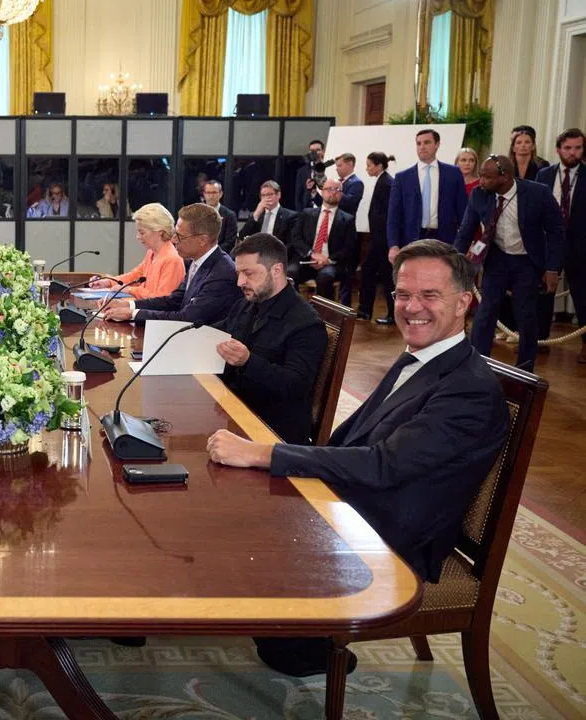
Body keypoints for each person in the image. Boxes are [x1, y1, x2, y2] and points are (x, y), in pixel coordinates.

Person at [207, 239, 510, 678]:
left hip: (390, 535)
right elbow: (354, 442)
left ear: (464, 302)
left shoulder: (469, 389)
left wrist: (267, 453)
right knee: (235, 507)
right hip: (359, 503)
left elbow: (383, 465)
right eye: (404, 294)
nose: (412, 307)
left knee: (248, 538)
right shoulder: (422, 357)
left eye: (430, 295)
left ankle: (309, 644)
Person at [215, 233, 328, 445]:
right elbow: (218, 333)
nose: (240, 282)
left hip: (272, 432)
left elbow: (295, 387)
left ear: (276, 270)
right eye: (238, 273)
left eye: (248, 273)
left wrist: (248, 362)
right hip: (235, 409)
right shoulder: (247, 304)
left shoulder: (306, 324)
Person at [455, 155, 564, 371]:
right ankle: (477, 365)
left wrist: (552, 269)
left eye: (487, 177)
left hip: (527, 262)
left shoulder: (538, 193)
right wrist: (453, 261)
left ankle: (525, 368)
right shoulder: (479, 194)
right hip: (497, 259)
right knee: (486, 312)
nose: (481, 181)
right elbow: (466, 230)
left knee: (525, 315)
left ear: (504, 177)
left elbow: (556, 232)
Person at [101, 203, 240, 325]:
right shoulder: (196, 261)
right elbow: (174, 300)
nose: (173, 239)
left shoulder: (221, 273)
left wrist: (133, 314)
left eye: (180, 236)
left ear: (203, 240)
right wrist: (128, 305)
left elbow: (187, 318)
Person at [535, 128, 586, 362]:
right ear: (558, 149)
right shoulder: (544, 175)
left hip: (580, 246)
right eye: (568, 148)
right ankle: (540, 340)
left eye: (577, 148)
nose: (572, 152)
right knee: (544, 292)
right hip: (548, 243)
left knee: (582, 294)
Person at [387, 129, 469, 262]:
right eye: (418, 143)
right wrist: (393, 245)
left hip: (444, 239)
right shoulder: (403, 177)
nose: (422, 147)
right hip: (412, 238)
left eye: (427, 142)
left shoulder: (453, 174)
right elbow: (393, 215)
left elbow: (463, 212)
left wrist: (465, 243)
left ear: (437, 144)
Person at [88, 203, 186, 299]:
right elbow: (135, 276)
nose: (138, 237)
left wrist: (129, 290)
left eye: (142, 232)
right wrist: (109, 281)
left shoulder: (172, 260)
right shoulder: (152, 253)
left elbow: (162, 298)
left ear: (160, 231)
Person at [287, 178, 357, 304]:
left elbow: (349, 248)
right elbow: (296, 238)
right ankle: (294, 311)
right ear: (322, 192)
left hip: (330, 263)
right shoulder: (307, 213)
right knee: (290, 273)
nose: (333, 192)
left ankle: (323, 317)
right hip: (306, 259)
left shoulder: (347, 220)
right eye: (329, 189)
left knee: (325, 277)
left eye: (337, 189)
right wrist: (312, 254)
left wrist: (327, 260)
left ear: (341, 194)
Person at [357, 153, 397, 324]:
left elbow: (386, 215)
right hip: (379, 239)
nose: (367, 169)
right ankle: (366, 310)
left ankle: (391, 314)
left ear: (379, 165)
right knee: (371, 273)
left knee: (386, 277)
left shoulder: (386, 183)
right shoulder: (383, 181)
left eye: (369, 165)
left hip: (382, 241)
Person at [237, 181, 295, 250]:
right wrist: (256, 214)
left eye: (269, 194)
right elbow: (242, 236)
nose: (266, 198)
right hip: (257, 255)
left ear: (278, 195)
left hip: (278, 256)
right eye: (263, 195)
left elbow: (292, 244)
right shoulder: (257, 215)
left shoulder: (290, 216)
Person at [200, 180, 239, 251]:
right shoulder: (197, 214)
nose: (211, 196)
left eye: (214, 192)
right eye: (208, 192)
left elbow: (230, 242)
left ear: (220, 194)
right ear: (204, 194)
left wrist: (210, 253)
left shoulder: (229, 215)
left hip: (219, 254)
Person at [294, 138, 326, 212]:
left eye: (318, 150)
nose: (315, 153)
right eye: (312, 151)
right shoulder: (302, 171)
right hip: (307, 211)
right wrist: (299, 214)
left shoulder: (330, 168)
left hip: (325, 209)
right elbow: (298, 196)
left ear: (323, 151)